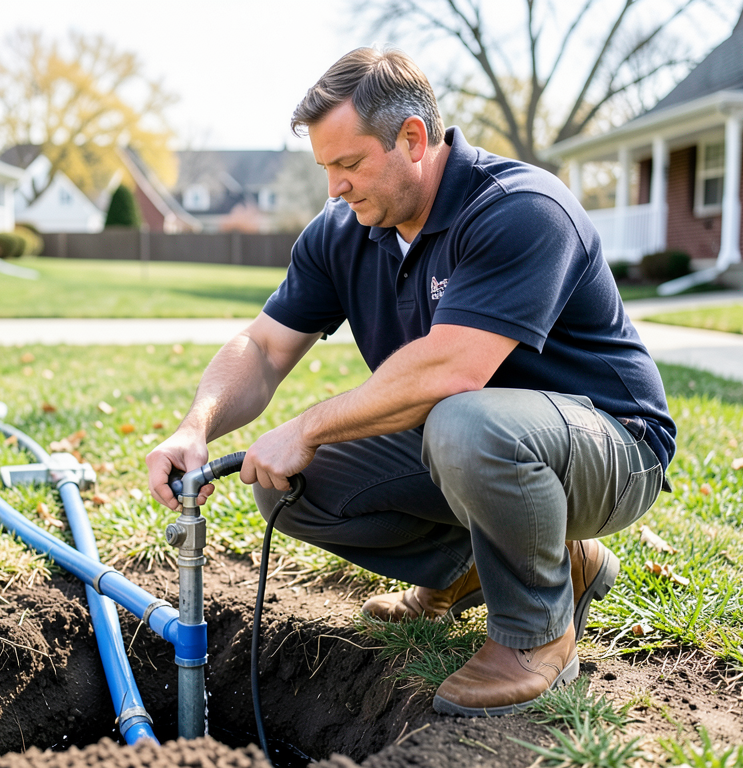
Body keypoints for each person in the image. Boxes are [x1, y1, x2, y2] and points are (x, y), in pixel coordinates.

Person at [146, 47, 675, 717]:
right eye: (324, 168)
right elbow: (263, 345)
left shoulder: (520, 208)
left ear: (414, 138)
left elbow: (454, 370)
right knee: (290, 489)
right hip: (476, 446)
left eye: (348, 163)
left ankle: (537, 637)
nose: (334, 187)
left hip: (611, 447)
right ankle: (496, 567)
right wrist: (196, 426)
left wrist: (307, 425)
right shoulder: (342, 233)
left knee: (462, 420)